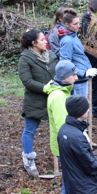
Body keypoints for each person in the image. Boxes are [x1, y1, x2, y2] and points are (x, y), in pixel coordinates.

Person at [18, 28, 58, 177]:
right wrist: (45, 88)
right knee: (30, 130)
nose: (45, 41)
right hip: (35, 101)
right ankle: (28, 157)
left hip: (54, 99)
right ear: (34, 43)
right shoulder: (26, 58)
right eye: (42, 39)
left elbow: (59, 72)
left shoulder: (51, 55)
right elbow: (27, 81)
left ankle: (61, 156)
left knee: (59, 129)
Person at [44, 61, 78, 194]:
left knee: (69, 182)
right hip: (65, 147)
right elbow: (63, 127)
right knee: (69, 184)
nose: (77, 77)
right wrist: (76, 144)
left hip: (66, 145)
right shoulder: (58, 97)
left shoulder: (62, 91)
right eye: (74, 75)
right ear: (65, 77)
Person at [57, 10, 97, 97]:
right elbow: (65, 64)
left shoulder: (73, 35)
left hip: (82, 79)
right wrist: (82, 73)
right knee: (79, 108)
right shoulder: (67, 41)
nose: (78, 26)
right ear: (67, 24)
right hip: (77, 81)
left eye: (78, 23)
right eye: (75, 24)